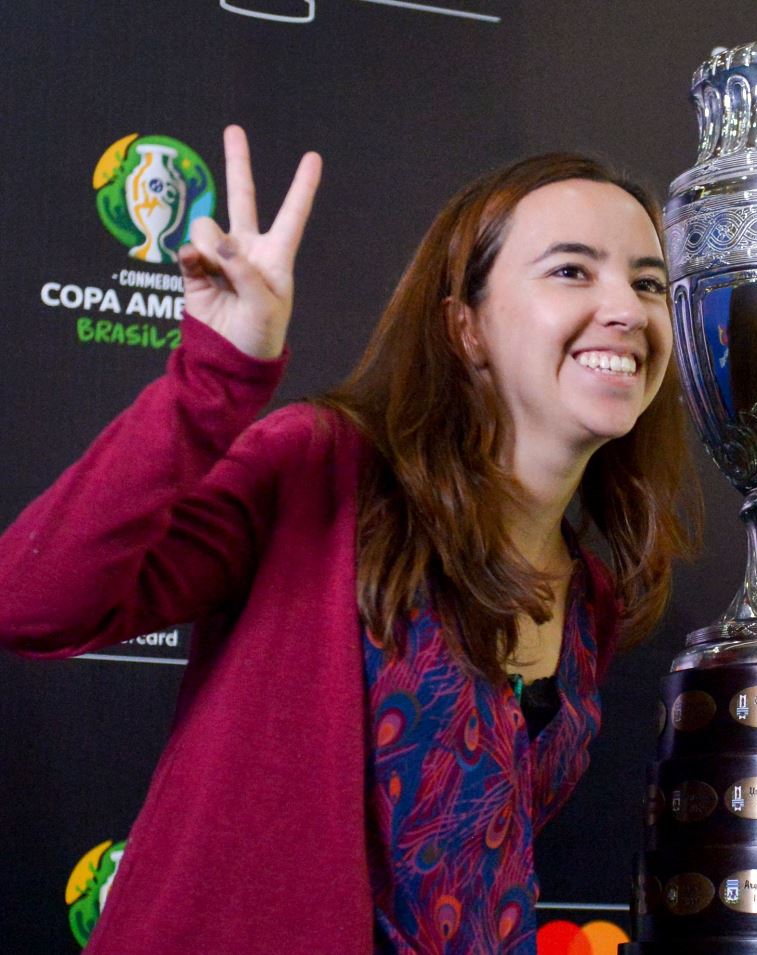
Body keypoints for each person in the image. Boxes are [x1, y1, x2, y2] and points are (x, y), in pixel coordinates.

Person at [0, 126, 698, 954]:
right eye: (572, 270)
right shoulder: (324, 470)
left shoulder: (593, 598)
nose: (624, 308)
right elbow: (30, 602)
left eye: (649, 283)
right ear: (465, 328)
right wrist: (214, 376)